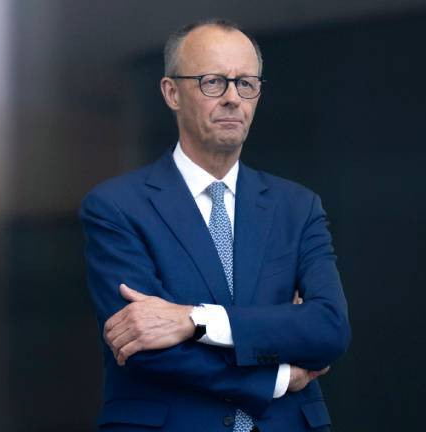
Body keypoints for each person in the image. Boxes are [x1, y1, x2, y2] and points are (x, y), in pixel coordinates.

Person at [80, 18, 350, 432]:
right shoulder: (116, 207)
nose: (232, 98)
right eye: (212, 82)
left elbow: (328, 329)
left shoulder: (298, 207)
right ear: (172, 92)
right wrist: (276, 374)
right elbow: (141, 346)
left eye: (246, 84)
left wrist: (194, 320)